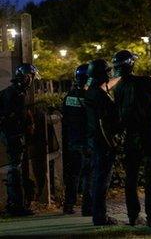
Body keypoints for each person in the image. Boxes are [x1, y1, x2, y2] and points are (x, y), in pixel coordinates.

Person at [112, 50, 151, 227]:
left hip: (130, 137)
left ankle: (133, 216)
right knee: (150, 177)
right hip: (148, 136)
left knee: (131, 178)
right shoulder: (145, 81)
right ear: (132, 64)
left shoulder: (119, 88)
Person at [0, 63, 39, 216]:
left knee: (15, 169)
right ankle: (15, 206)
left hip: (13, 135)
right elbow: (11, 116)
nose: (31, 80)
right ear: (25, 76)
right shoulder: (15, 93)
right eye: (31, 77)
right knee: (14, 169)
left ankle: (16, 204)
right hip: (13, 136)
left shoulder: (15, 91)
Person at [84, 59, 120, 226]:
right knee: (102, 180)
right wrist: (111, 143)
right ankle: (100, 216)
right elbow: (102, 123)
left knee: (98, 179)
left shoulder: (92, 91)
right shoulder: (99, 95)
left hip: (96, 141)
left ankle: (99, 214)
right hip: (103, 143)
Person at [62, 64, 92, 216]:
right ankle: (88, 206)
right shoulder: (90, 97)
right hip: (86, 142)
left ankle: (69, 204)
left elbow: (65, 119)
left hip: (72, 141)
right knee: (88, 175)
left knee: (73, 174)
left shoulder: (69, 96)